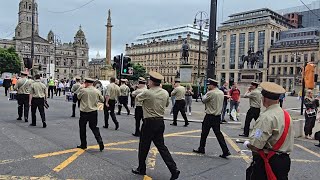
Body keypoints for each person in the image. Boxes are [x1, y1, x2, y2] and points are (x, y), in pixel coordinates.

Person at [132, 71, 180, 180]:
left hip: (149, 122)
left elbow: (137, 98)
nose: (148, 82)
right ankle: (174, 169)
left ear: (152, 82)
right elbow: (167, 104)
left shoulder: (148, 92)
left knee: (143, 146)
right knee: (162, 147)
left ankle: (141, 168)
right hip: (160, 122)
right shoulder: (165, 93)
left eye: (149, 80)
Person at [243, 82, 294, 180]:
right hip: (284, 161)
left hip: (268, 161)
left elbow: (256, 144)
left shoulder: (266, 117)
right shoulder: (286, 115)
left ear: (264, 99)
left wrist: (247, 144)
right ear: (278, 99)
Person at [193, 78, 231, 158]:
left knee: (204, 133)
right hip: (217, 116)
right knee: (218, 134)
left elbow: (203, 100)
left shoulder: (210, 93)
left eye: (209, 85)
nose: (208, 86)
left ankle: (201, 148)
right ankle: (225, 150)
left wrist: (205, 93)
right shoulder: (221, 92)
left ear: (212, 85)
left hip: (209, 116)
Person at [77, 78, 104, 151]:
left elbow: (78, 97)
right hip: (93, 112)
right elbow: (102, 100)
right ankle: (99, 140)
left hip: (84, 112)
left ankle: (83, 144)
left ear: (87, 83)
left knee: (82, 128)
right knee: (94, 127)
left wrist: (81, 87)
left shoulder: (83, 90)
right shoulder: (97, 91)